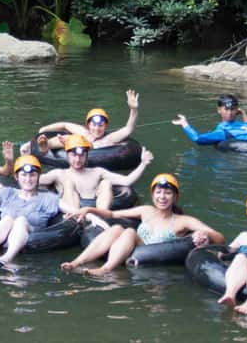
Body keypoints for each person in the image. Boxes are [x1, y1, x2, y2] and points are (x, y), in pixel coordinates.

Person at [60, 173, 224, 275]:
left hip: (152, 257)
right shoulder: (146, 211)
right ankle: (77, 262)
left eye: (167, 193)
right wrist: (88, 209)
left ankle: (105, 269)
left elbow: (220, 238)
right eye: (158, 192)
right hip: (133, 249)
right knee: (116, 228)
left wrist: (204, 234)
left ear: (175, 197)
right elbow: (112, 214)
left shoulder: (183, 220)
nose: (162, 197)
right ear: (153, 195)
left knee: (130, 232)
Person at [35, 134, 153, 211]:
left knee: (106, 183)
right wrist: (42, 148)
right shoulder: (59, 174)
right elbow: (34, 180)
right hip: (71, 214)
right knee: (68, 183)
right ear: (67, 155)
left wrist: (143, 164)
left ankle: (102, 216)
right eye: (74, 155)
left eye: (81, 155)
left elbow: (126, 181)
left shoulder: (97, 172)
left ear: (87, 155)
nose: (77, 159)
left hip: (97, 212)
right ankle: (77, 218)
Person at [36, 90, 140, 151]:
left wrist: (133, 109)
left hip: (98, 157)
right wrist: (44, 129)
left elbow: (128, 129)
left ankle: (51, 144)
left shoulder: (109, 139)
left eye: (101, 125)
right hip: (77, 150)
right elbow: (65, 125)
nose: (97, 129)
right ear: (88, 125)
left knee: (72, 139)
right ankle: (45, 145)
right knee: (69, 138)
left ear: (105, 126)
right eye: (94, 125)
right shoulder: (83, 132)